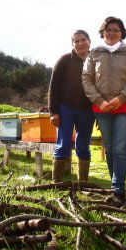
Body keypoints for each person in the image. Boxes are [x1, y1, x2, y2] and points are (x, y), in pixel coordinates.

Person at [82, 16, 126, 203]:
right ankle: (115, 187)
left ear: (122, 33)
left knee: (119, 149)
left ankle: (118, 190)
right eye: (108, 29)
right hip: (102, 109)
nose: (112, 33)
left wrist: (121, 98)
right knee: (108, 149)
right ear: (103, 32)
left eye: (116, 30)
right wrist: (100, 101)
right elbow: (86, 78)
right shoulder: (94, 53)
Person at [48, 30, 95, 183]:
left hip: (87, 110)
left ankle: (83, 182)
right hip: (65, 108)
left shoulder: (96, 59)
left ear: (89, 41)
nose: (80, 43)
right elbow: (53, 86)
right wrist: (53, 112)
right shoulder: (64, 60)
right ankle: (57, 181)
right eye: (76, 41)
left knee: (83, 144)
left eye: (83, 40)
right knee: (63, 144)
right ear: (72, 44)